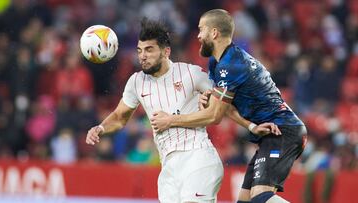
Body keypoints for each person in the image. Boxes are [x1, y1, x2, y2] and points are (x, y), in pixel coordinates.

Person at [86, 18, 280, 203]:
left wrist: (251, 124)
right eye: (139, 50)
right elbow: (120, 117)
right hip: (168, 167)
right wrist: (101, 128)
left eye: (149, 50)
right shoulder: (136, 82)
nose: (143, 56)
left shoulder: (190, 73)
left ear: (166, 51)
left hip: (198, 157)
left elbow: (225, 104)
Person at [151, 9, 307, 203]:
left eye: (201, 30)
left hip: (283, 130)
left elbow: (214, 116)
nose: (198, 36)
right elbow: (222, 107)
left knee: (261, 197)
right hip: (270, 133)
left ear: (214, 33)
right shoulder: (216, 64)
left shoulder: (231, 64)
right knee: (244, 201)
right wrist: (249, 125)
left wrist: (170, 120)